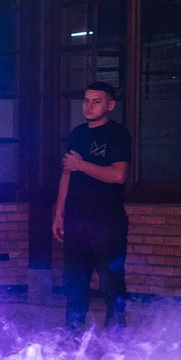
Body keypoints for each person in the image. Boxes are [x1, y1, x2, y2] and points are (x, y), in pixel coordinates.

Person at [53, 81, 132, 331]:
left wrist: (82, 165)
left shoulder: (117, 134)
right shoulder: (77, 134)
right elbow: (67, 173)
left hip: (106, 221)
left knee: (111, 281)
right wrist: (58, 213)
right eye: (86, 100)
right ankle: (73, 332)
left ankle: (116, 335)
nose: (88, 106)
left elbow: (118, 175)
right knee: (75, 280)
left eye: (96, 101)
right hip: (76, 220)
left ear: (110, 105)